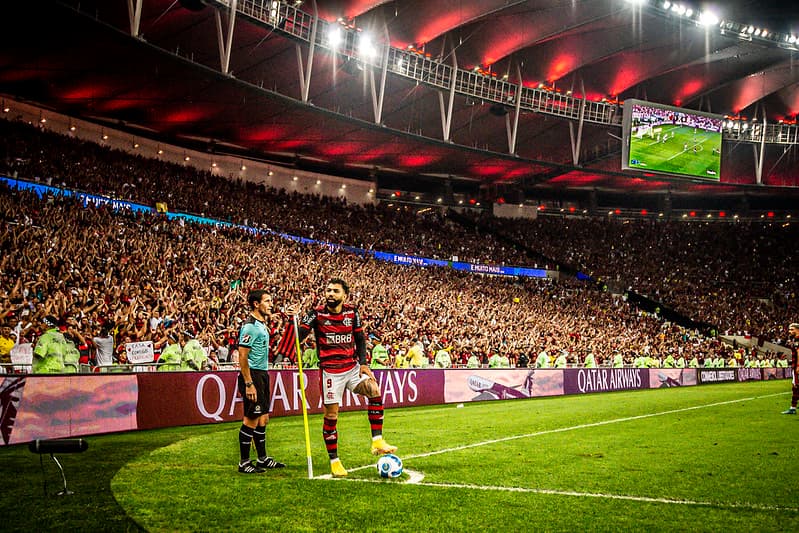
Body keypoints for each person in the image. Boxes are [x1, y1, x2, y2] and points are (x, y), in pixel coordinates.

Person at [294, 278, 396, 478]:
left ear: (344, 295)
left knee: (374, 391)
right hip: (331, 372)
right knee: (332, 416)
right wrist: (295, 323)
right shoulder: (316, 314)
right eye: (328, 290)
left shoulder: (352, 312)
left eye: (335, 291)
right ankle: (335, 462)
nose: (331, 294)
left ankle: (377, 441)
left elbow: (359, 339)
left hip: (352, 367)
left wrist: (364, 363)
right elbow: (299, 336)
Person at [236, 289, 285, 474]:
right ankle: (244, 462)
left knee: (263, 418)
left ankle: (262, 458)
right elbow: (242, 355)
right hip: (253, 375)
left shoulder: (262, 325)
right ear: (256, 304)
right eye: (267, 301)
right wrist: (249, 383)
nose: (271, 304)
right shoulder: (249, 326)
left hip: (263, 373)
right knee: (251, 418)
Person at [781, 322, 798, 415]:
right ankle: (793, 407)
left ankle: (793, 408)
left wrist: (798, 366)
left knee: (795, 386)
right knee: (795, 386)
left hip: (797, 367)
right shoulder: (794, 340)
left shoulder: (797, 340)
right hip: (795, 366)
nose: (790, 331)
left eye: (792, 329)